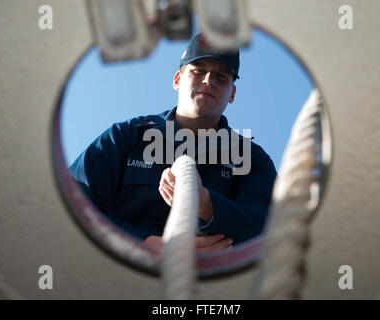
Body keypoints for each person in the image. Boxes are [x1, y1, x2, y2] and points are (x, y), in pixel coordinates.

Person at [70, 34, 277, 251]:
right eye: (198, 71)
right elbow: (75, 201)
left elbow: (271, 227)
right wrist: (146, 243)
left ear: (232, 93)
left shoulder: (251, 159)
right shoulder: (127, 136)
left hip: (213, 280)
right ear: (177, 80)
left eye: (221, 76)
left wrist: (207, 205)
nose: (208, 80)